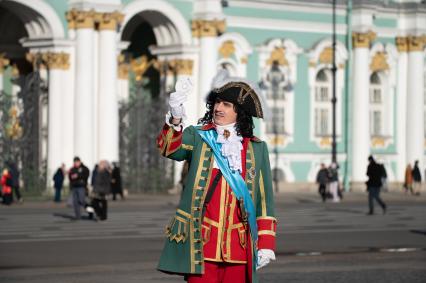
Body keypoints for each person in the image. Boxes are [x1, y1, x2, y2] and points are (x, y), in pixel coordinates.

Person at [156, 71, 277, 283]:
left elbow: (264, 199)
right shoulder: (199, 136)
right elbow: (169, 148)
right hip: (202, 244)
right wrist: (175, 117)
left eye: (227, 105)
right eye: (218, 102)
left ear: (239, 112)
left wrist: (266, 244)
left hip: (239, 246)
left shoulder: (257, 148)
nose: (219, 108)